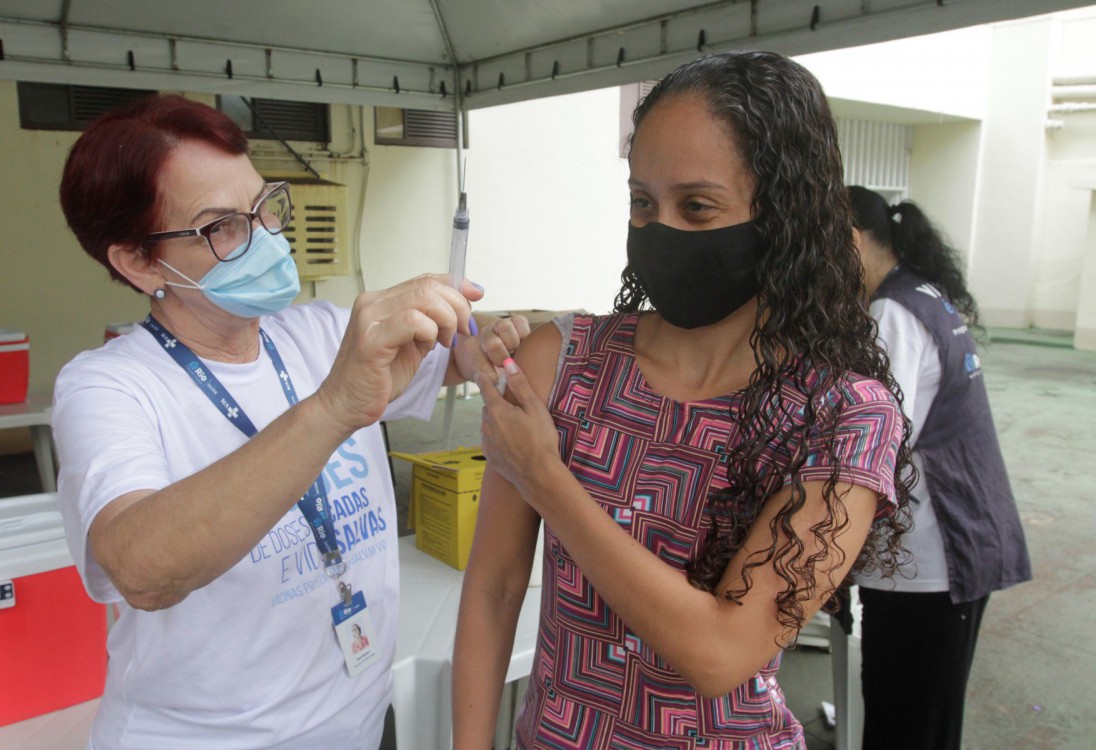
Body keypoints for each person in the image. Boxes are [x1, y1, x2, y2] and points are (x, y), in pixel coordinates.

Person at [452, 50, 914, 749]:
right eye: (643, 201)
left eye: (696, 206)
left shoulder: (843, 417)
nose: (659, 230)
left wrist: (547, 479)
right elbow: (493, 588)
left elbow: (721, 655)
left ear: (784, 215)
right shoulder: (565, 361)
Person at [52, 94, 523, 749]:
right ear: (136, 261)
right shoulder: (109, 386)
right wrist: (332, 408)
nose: (268, 237)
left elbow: (457, 359)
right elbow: (140, 567)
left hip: (357, 720)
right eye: (223, 226)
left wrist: (481, 341)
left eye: (266, 205)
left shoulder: (320, 332)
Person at [848, 185, 1032, 750]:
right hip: (962, 542)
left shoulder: (891, 313)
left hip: (930, 560)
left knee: (906, 723)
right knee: (926, 719)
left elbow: (874, 445)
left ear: (849, 239)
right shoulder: (922, 294)